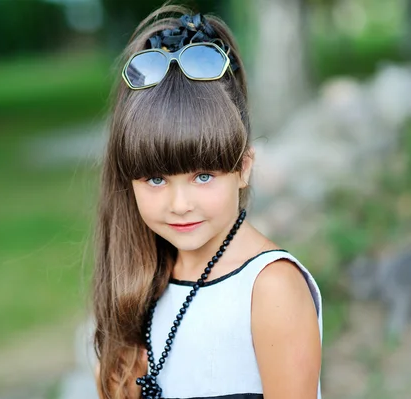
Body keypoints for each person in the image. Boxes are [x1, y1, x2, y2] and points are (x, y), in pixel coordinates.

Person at [92, 4, 322, 399]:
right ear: (127, 179)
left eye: (203, 176)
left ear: (244, 167)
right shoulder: (142, 282)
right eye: (155, 178)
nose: (179, 203)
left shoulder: (270, 289)